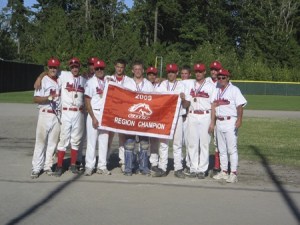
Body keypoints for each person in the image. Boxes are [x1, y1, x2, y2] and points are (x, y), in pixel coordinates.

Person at [152, 63, 189, 178]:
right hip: (165, 118)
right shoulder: (162, 84)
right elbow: (156, 99)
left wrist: (183, 99)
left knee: (177, 144)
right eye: (169, 72)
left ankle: (178, 168)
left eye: (173, 72)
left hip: (177, 117)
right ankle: (163, 168)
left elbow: (187, 104)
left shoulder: (182, 85)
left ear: (177, 73)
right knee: (163, 144)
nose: (171, 74)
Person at [211, 69, 247, 183]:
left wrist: (240, 120)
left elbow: (240, 106)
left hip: (230, 121)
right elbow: (213, 105)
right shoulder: (216, 89)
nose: (221, 79)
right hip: (219, 121)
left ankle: (233, 173)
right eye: (219, 77)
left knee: (231, 149)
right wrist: (213, 122)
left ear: (228, 78)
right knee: (222, 149)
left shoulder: (234, 89)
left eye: (223, 77)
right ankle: (224, 171)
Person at [54, 57, 87, 177]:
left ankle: (73, 165)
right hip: (66, 112)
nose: (74, 68)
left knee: (76, 139)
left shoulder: (84, 79)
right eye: (72, 66)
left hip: (78, 112)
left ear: (79, 67)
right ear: (70, 67)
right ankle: (59, 166)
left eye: (76, 66)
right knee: (63, 139)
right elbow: (50, 71)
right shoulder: (64, 75)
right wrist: (39, 77)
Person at [31, 58, 61, 178]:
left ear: (58, 68)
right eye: (51, 67)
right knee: (40, 142)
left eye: (55, 67)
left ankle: (48, 166)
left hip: (57, 115)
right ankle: (36, 168)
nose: (53, 69)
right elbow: (35, 99)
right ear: (48, 68)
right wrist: (47, 98)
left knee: (52, 143)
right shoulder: (43, 80)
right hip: (45, 113)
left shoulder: (60, 79)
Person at [184, 63, 215, 179]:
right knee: (192, 143)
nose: (198, 73)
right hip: (192, 115)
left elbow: (213, 105)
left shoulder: (210, 86)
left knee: (204, 144)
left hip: (205, 115)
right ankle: (193, 168)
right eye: (196, 71)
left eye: (200, 71)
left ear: (204, 72)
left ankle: (202, 169)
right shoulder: (189, 84)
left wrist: (212, 122)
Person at [122, 61, 154, 176]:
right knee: (129, 144)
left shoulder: (148, 84)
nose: (137, 71)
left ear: (143, 70)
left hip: (144, 118)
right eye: (135, 69)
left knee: (144, 144)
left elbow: (154, 100)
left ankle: (143, 167)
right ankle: (129, 168)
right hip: (131, 117)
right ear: (132, 70)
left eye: (139, 69)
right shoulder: (127, 83)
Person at [84, 59, 111, 176]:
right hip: (94, 113)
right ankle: (89, 166)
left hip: (105, 114)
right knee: (91, 141)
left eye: (101, 69)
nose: (99, 71)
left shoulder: (108, 81)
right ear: (94, 70)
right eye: (97, 69)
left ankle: (102, 166)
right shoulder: (90, 82)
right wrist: (93, 117)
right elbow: (87, 101)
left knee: (104, 141)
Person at [107, 59, 131, 172]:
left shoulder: (129, 81)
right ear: (115, 66)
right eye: (118, 66)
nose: (119, 69)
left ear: (124, 67)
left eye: (121, 67)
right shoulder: (109, 79)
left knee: (122, 138)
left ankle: (123, 161)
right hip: (111, 111)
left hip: (123, 112)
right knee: (109, 137)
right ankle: (105, 159)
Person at [207, 60, 223, 175]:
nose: (214, 71)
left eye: (216, 69)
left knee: (218, 141)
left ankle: (217, 165)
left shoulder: (222, 82)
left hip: (218, 115)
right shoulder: (205, 80)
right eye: (212, 69)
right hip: (206, 114)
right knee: (204, 140)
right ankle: (200, 164)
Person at [146, 66, 160, 173]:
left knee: (155, 141)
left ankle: (154, 163)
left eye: (154, 74)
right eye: (150, 74)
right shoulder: (144, 84)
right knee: (144, 141)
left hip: (156, 116)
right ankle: (143, 161)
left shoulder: (160, 85)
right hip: (144, 116)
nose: (152, 76)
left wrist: (162, 79)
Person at [179, 65, 192, 175]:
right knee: (179, 142)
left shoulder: (192, 83)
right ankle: (180, 163)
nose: (184, 75)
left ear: (190, 74)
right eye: (182, 73)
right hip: (179, 117)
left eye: (186, 73)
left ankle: (188, 164)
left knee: (188, 142)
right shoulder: (178, 83)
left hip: (188, 117)